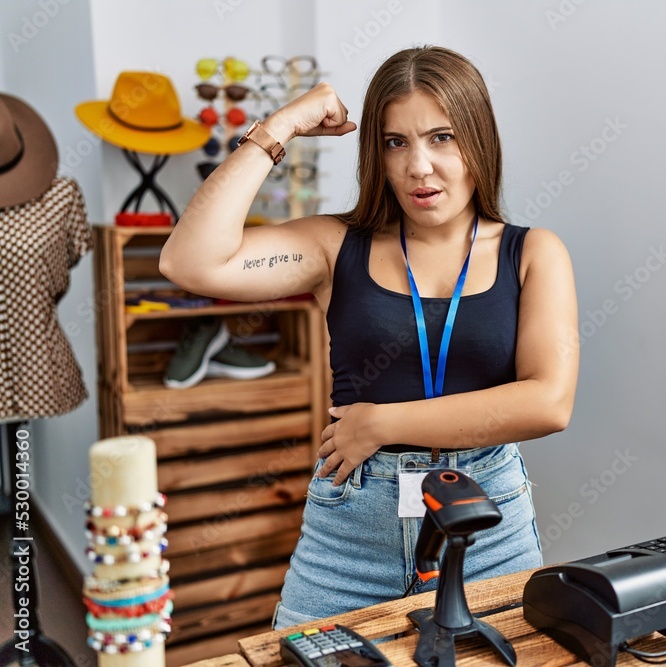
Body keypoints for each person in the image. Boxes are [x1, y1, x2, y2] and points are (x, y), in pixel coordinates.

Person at [159, 45, 579, 629]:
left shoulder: (533, 253)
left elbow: (548, 403)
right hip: (351, 532)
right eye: (395, 142)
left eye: (442, 137)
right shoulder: (337, 246)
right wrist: (280, 128)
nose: (418, 167)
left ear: (479, 140)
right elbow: (189, 263)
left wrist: (381, 423)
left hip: (487, 523)